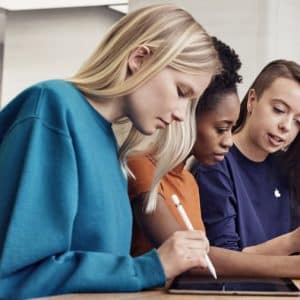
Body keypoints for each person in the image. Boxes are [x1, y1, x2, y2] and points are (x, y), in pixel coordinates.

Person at [0, 4, 220, 299]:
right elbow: (16, 275)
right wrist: (149, 268)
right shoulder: (53, 108)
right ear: (139, 59)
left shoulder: (110, 146)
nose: (182, 115)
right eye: (181, 92)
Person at [128, 39, 300, 278]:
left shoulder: (187, 181)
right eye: (221, 129)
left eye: (298, 121)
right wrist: (292, 259)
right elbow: (197, 260)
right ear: (187, 114)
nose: (228, 141)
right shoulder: (143, 169)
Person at [192, 59, 300, 255]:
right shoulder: (215, 162)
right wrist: (292, 242)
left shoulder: (286, 170)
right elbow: (225, 260)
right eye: (279, 110)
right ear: (252, 100)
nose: (286, 126)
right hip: (237, 286)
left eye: (298, 121)